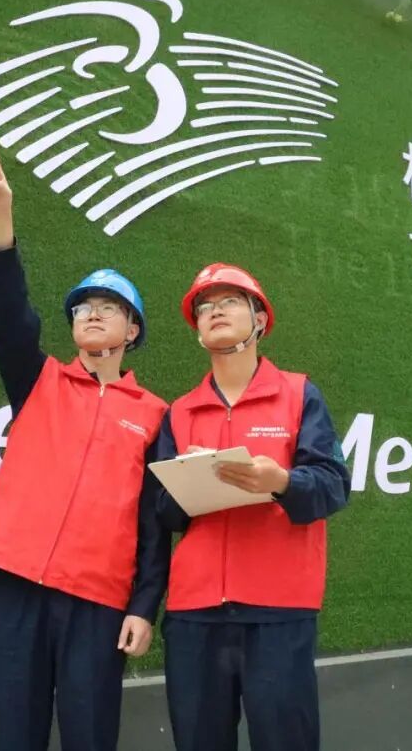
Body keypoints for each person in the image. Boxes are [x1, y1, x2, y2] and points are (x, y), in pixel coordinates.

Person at [0, 139, 169, 751]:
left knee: (90, 737)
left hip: (99, 603)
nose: (93, 314)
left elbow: (154, 523)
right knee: (10, 736)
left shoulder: (156, 415)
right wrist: (2, 230)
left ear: (133, 330)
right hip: (18, 588)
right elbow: (10, 319)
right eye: (83, 307)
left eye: (110, 307)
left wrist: (144, 606)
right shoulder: (39, 381)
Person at [153, 263, 351, 751]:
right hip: (194, 612)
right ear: (197, 330)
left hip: (278, 610)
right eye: (205, 306)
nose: (214, 310)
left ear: (259, 319)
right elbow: (163, 512)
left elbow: (333, 485)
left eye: (229, 301)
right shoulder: (179, 412)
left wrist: (280, 481)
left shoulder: (300, 394)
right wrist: (189, 480)